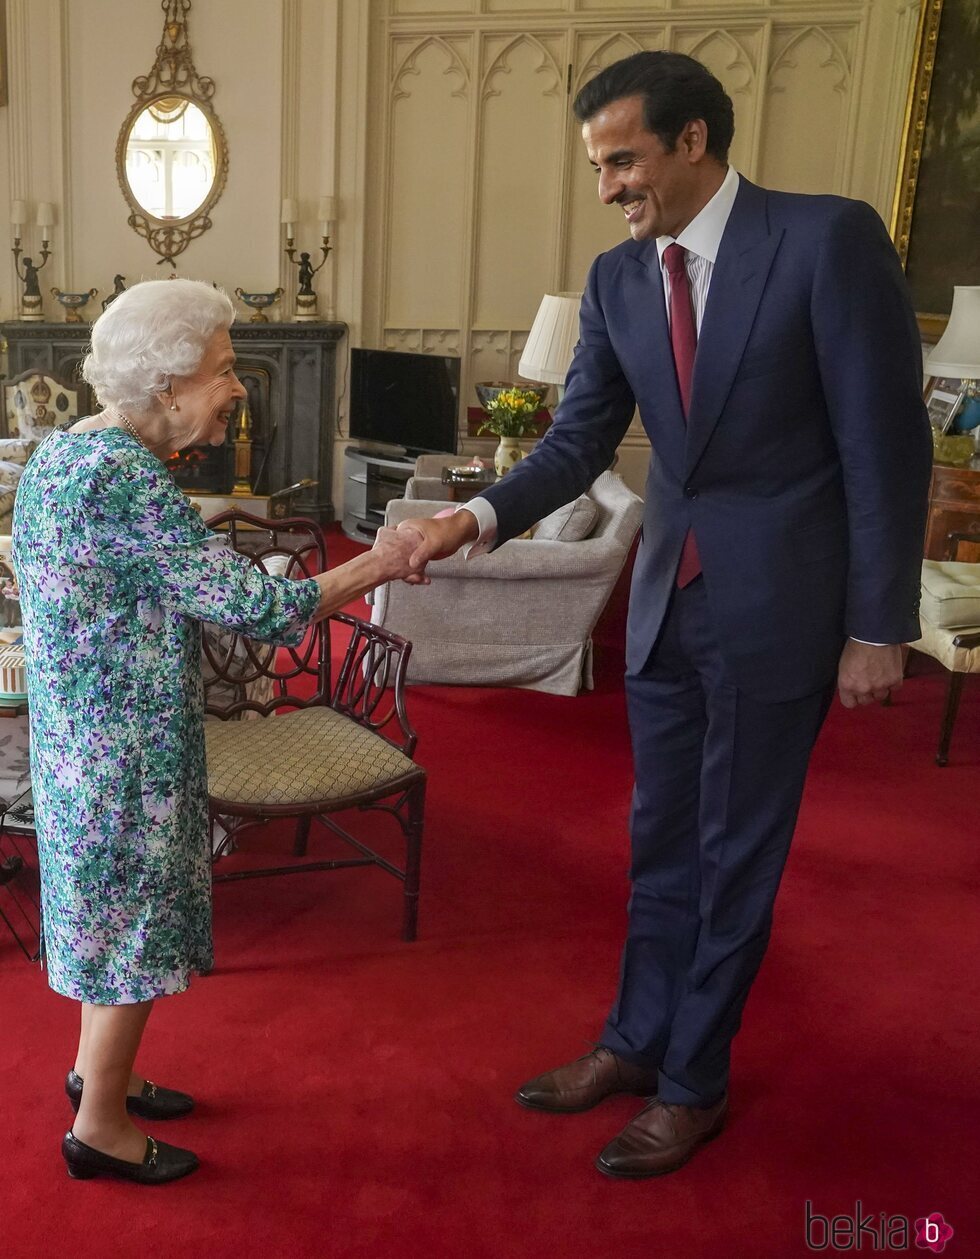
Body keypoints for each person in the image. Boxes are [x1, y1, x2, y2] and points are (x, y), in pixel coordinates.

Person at [397, 52, 932, 1179]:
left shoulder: (825, 240)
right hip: (662, 608)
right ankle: (634, 1042)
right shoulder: (616, 279)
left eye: (623, 160)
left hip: (781, 610)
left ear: (693, 141)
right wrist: (476, 518)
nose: (608, 188)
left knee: (735, 853)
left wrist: (876, 623)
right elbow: (578, 440)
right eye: (597, 165)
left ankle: (695, 1081)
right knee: (657, 845)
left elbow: (884, 446)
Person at [12, 279, 420, 1185]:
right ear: (165, 386)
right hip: (123, 754)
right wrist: (382, 560)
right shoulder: (120, 479)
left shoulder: (69, 451)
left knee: (108, 921)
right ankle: (101, 1130)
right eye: (224, 369)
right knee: (132, 931)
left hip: (83, 739)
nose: (237, 387)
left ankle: (97, 1078)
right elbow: (262, 606)